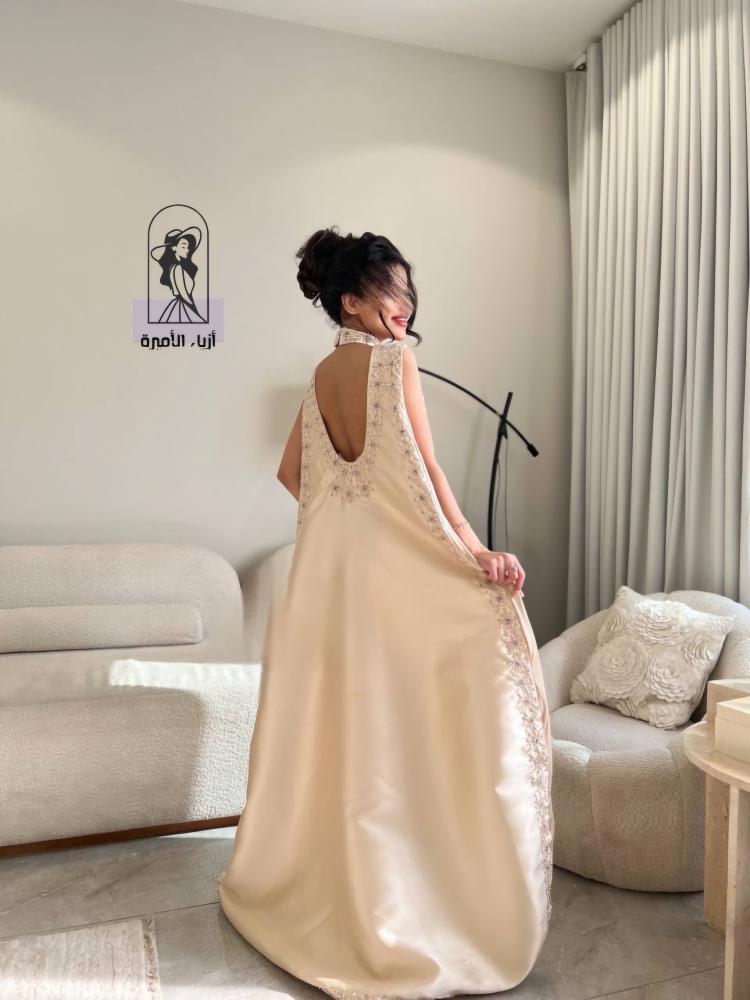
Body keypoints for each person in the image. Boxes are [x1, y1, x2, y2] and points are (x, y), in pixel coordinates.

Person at [218, 226, 554, 999]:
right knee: (417, 716)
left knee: (346, 729)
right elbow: (429, 470)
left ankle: (339, 893)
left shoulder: (320, 374)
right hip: (384, 580)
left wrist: (348, 513)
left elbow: (293, 472)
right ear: (350, 300)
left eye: (407, 291)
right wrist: (477, 551)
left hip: (328, 583)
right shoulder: (394, 361)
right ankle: (417, 896)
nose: (404, 306)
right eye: (389, 291)